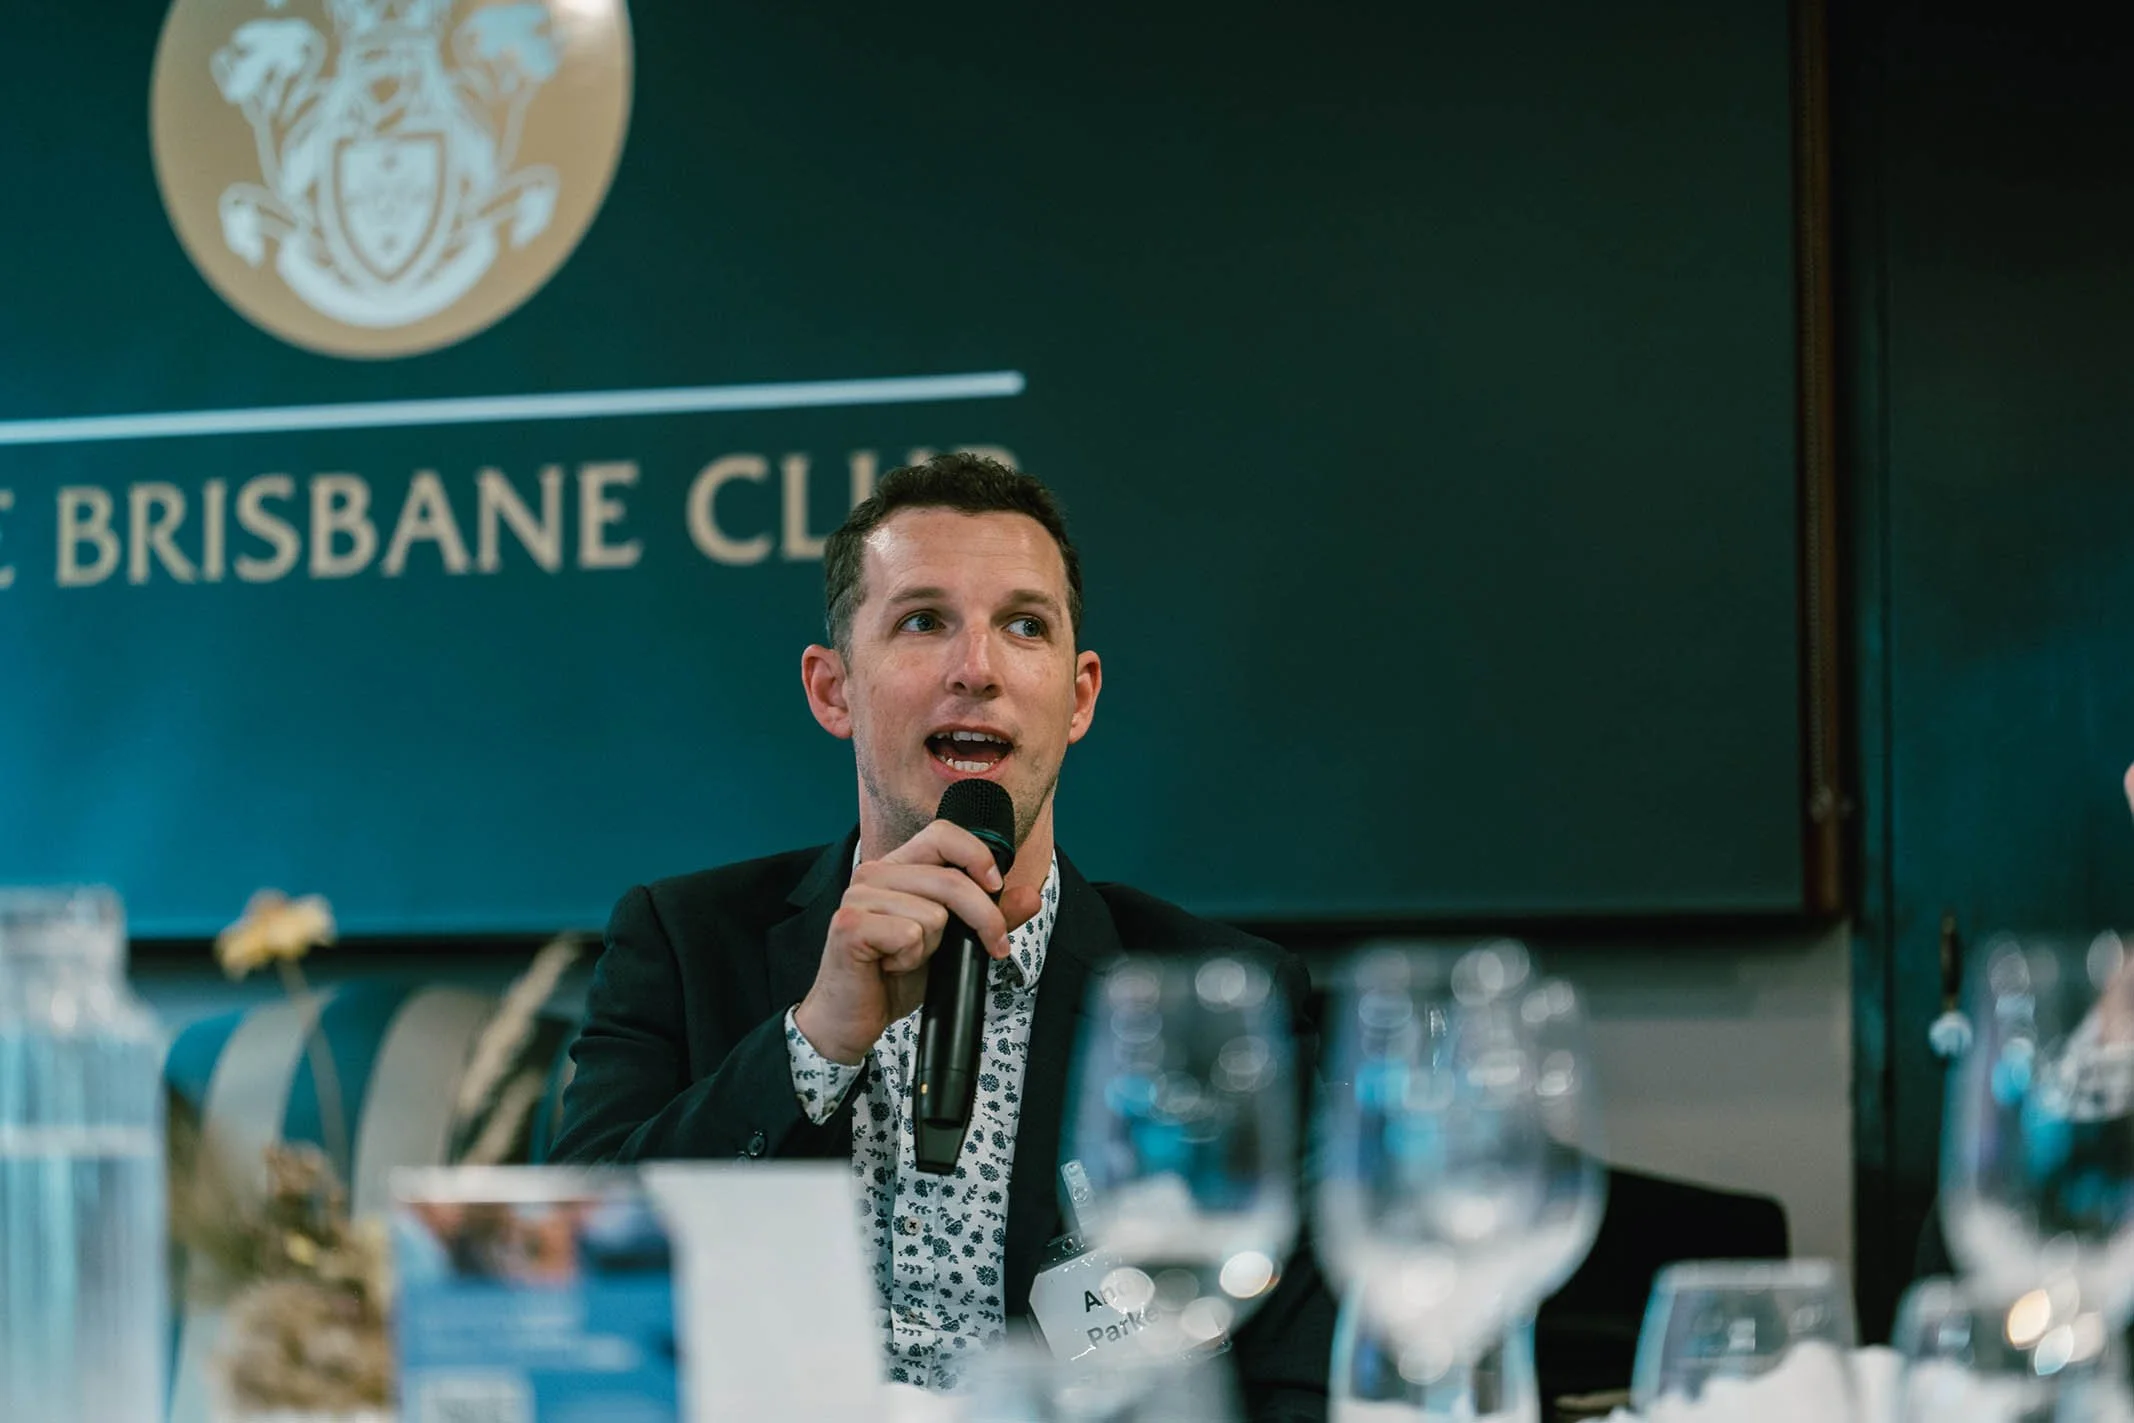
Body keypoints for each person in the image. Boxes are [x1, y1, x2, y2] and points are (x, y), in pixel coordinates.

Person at [550, 453, 1335, 1417]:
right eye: (924, 620)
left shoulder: (1213, 996)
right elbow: (565, 1280)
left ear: (1079, 694)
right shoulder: (683, 939)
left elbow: (1294, 1381)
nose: (978, 668)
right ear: (833, 688)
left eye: (1024, 626)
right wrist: (814, 1041)